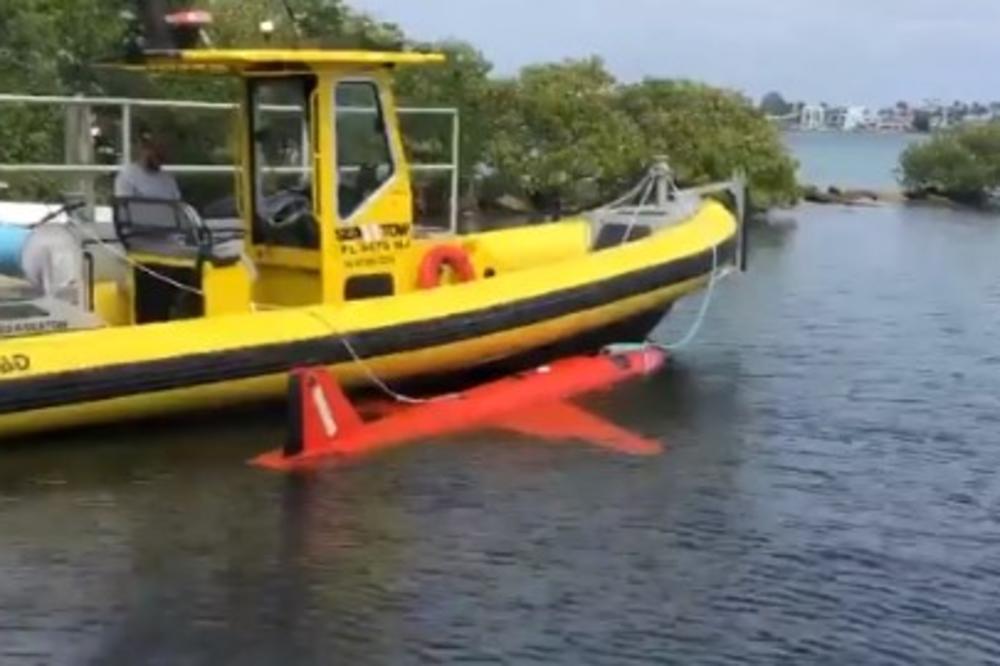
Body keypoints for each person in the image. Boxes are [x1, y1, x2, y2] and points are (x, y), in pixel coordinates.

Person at [114, 130, 181, 200]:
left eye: (162, 158)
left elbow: (176, 205)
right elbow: (125, 207)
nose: (159, 162)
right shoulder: (127, 177)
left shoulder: (168, 179)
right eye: (156, 156)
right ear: (145, 150)